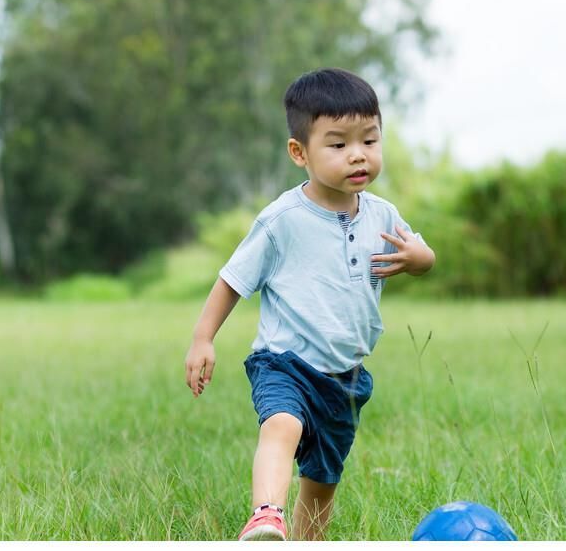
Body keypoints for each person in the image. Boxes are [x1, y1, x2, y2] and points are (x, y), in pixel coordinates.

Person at [184, 67, 436, 541]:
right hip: (285, 362)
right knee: (282, 425)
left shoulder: (382, 215)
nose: (358, 155)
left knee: (322, 483)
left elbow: (422, 257)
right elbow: (232, 280)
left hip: (345, 376)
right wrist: (203, 338)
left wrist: (420, 258)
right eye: (338, 144)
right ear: (300, 152)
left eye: (370, 140)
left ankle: (302, 540)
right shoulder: (283, 220)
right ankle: (265, 514)